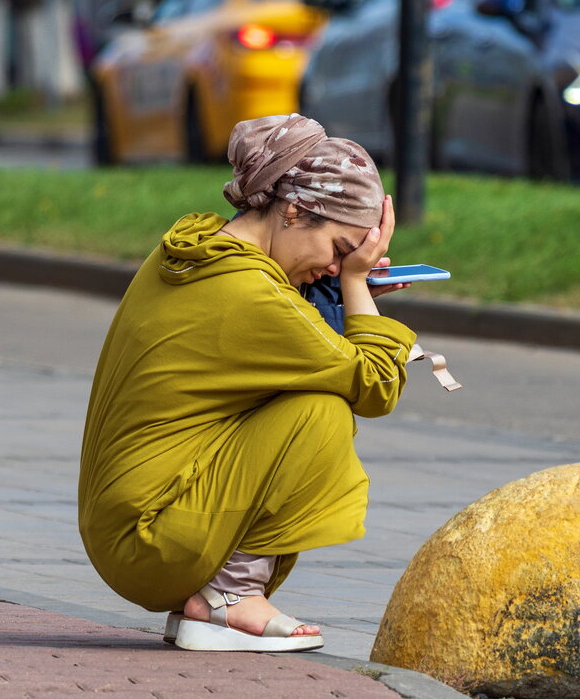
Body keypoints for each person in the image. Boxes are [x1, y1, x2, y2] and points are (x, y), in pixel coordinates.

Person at [77, 114, 416, 653]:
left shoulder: (198, 252)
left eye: (349, 258)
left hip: (129, 529)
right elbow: (375, 387)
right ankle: (231, 598)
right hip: (149, 543)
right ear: (295, 210)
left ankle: (211, 598)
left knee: (309, 394)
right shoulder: (251, 293)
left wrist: (340, 287)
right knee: (321, 411)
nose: (337, 266)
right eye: (340, 248)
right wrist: (355, 287)